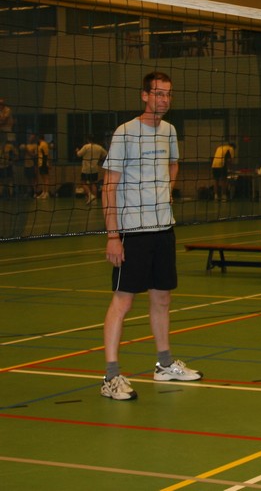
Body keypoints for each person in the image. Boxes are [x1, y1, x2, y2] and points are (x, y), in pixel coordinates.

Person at [100, 72, 201, 401]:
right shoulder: (125, 133)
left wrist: (165, 193)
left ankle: (164, 364)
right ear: (144, 95)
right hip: (133, 231)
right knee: (123, 302)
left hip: (163, 228)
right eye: (158, 94)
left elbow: (173, 164)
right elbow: (109, 186)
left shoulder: (169, 131)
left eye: (168, 94)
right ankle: (111, 376)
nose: (164, 100)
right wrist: (113, 235)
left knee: (162, 298)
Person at [76, 135, 107, 205]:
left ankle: (90, 195)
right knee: (93, 183)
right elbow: (105, 154)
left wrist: (77, 150)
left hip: (86, 169)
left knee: (83, 182)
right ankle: (94, 200)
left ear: (88, 140)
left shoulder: (86, 147)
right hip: (94, 168)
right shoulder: (99, 147)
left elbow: (79, 154)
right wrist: (99, 159)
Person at [34, 133, 51, 199]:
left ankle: (46, 193)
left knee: (46, 178)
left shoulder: (44, 144)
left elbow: (46, 155)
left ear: (39, 138)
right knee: (43, 179)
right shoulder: (40, 145)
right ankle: (43, 192)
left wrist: (45, 164)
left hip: (43, 164)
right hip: (40, 163)